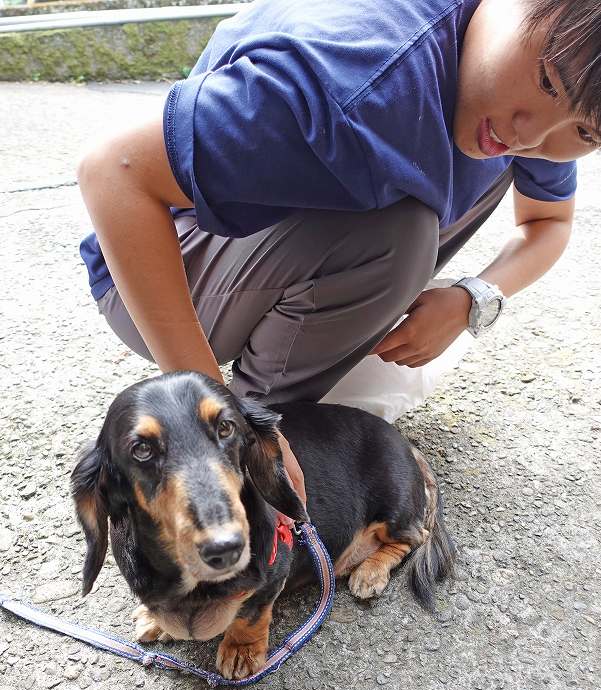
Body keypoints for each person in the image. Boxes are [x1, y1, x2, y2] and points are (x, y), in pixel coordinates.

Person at [77, 0, 601, 510]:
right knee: (401, 232)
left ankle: (271, 414)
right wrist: (213, 411)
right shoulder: (356, 78)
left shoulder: (531, 93)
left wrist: (471, 299)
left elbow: (547, 223)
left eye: (584, 132)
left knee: (472, 169)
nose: (531, 135)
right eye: (548, 82)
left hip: (275, 253)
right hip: (157, 268)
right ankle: (252, 430)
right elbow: (113, 171)